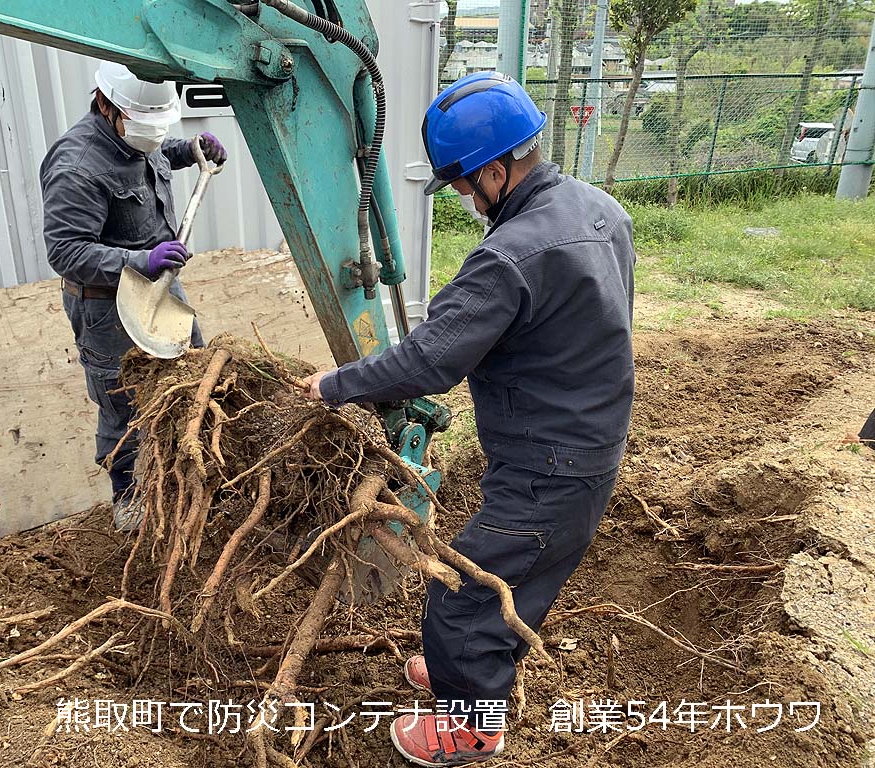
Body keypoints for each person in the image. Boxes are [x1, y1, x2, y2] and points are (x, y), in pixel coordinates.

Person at [302, 71, 636, 766]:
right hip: (585, 446)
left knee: (461, 600)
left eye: (460, 184)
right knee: (519, 579)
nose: (460, 197)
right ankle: (470, 678)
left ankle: (471, 728)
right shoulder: (600, 211)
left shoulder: (508, 257)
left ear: (494, 170)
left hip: (549, 465)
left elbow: (427, 363)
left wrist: (334, 385)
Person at [40, 61, 226, 531]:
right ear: (105, 105)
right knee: (125, 404)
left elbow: (155, 154)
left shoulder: (138, 132)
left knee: (194, 378)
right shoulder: (76, 166)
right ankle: (132, 504)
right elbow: (65, 252)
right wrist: (138, 261)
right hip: (107, 304)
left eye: (158, 129)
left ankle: (196, 483)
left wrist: (191, 148)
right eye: (143, 128)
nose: (152, 137)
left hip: (161, 286)